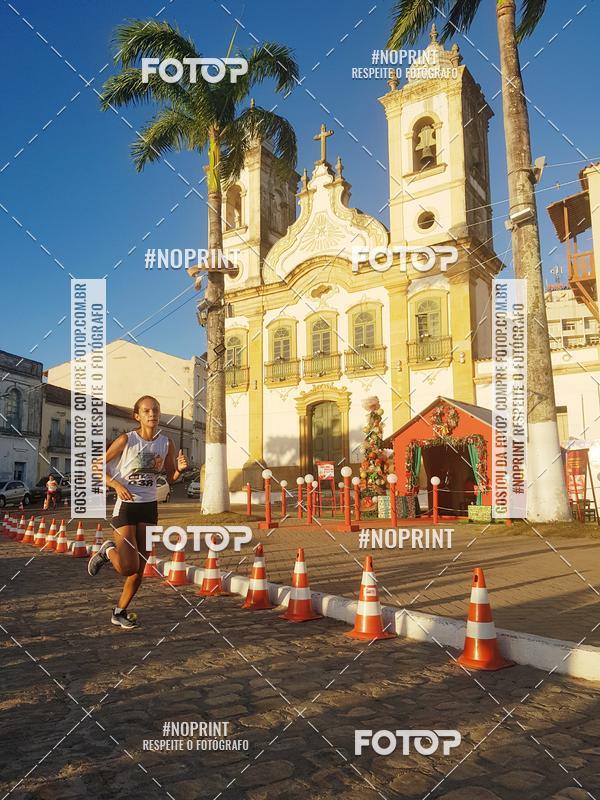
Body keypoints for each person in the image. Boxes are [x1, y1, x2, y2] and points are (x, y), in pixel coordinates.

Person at [87, 395, 188, 629]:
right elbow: (95, 467)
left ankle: (119, 612)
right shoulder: (126, 440)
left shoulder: (166, 443)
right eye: (147, 411)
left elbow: (171, 478)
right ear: (137, 416)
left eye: (156, 410)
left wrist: (180, 470)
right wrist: (115, 484)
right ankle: (107, 551)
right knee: (126, 567)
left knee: (139, 569)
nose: (152, 414)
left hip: (149, 507)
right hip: (126, 506)